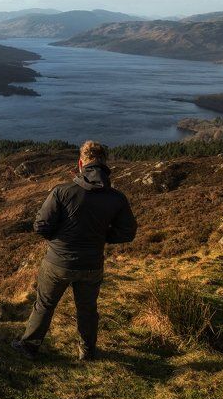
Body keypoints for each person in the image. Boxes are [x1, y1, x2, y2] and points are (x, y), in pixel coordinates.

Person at [11, 140, 137, 361]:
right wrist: (101, 238)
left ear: (81, 163)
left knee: (44, 305)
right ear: (105, 165)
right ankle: (87, 353)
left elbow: (40, 226)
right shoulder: (117, 198)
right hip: (91, 264)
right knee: (87, 310)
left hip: (58, 263)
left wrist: (59, 240)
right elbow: (127, 232)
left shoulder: (62, 192)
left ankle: (29, 347)